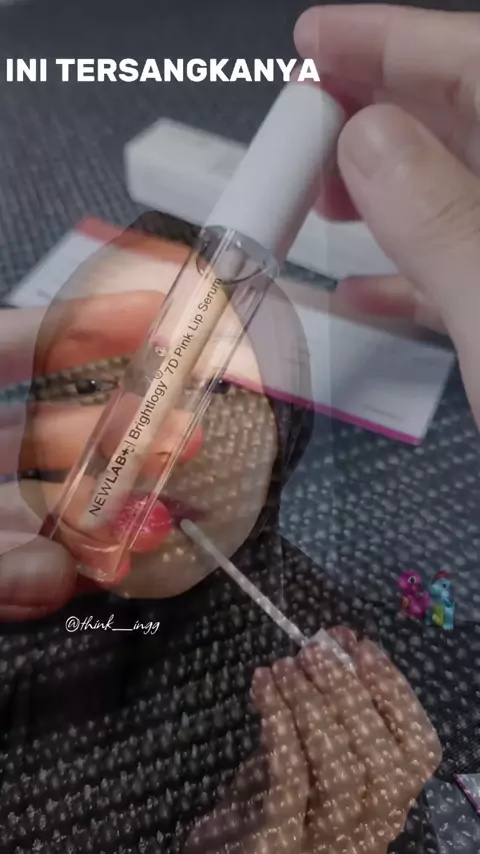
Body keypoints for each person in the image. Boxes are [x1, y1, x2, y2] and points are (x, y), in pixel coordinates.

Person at [0, 4, 477, 850]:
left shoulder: (320, 654)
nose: (153, 436)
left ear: (286, 436)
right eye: (92, 382)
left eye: (216, 386)